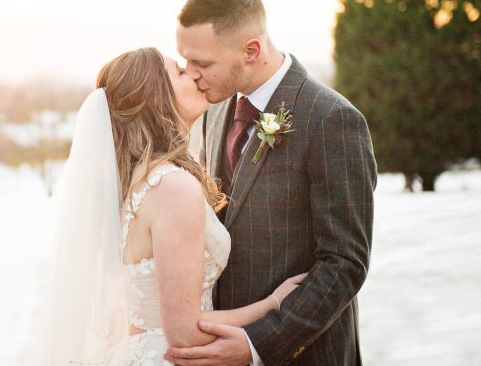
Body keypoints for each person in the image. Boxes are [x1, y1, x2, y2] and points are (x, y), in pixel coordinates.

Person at [27, 47, 306, 366]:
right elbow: (186, 335)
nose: (194, 73)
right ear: (157, 100)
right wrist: (272, 304)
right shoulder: (172, 187)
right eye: (180, 72)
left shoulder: (135, 184)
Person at [166, 0, 377, 366]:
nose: (191, 74)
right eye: (185, 61)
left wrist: (256, 344)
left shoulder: (332, 119)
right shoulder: (214, 110)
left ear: (251, 50)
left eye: (203, 64)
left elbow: (345, 262)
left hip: (304, 354)